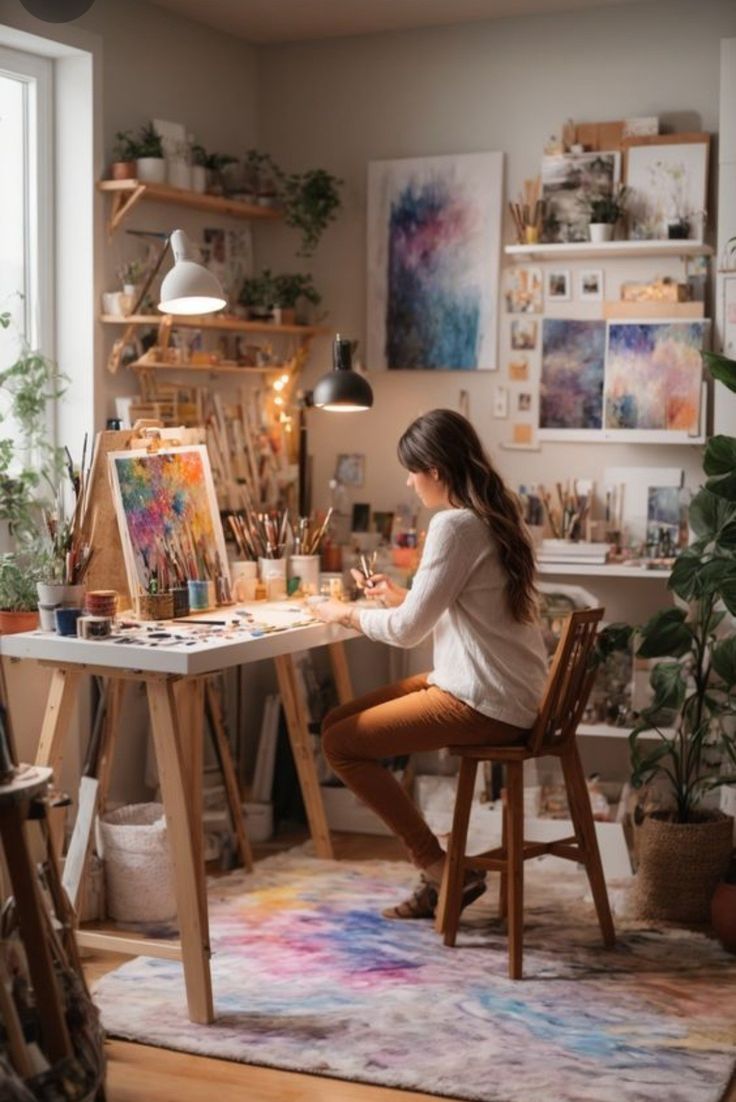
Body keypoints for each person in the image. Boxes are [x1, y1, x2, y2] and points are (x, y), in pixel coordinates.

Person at [312, 409, 548, 920]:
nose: (408, 480)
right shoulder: (494, 515)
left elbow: (406, 632)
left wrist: (344, 613)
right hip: (500, 689)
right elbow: (465, 610)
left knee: (338, 744)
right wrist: (406, 594)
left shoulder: (454, 526)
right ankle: (443, 872)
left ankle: (440, 867)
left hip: (485, 700)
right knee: (336, 726)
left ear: (436, 471)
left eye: (412, 469)